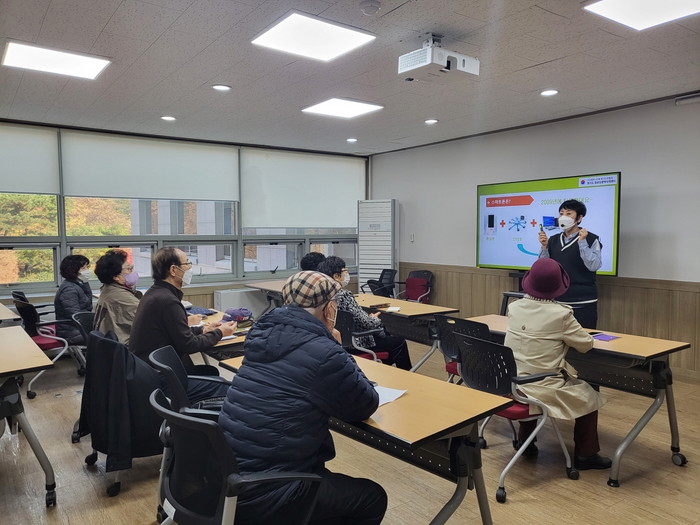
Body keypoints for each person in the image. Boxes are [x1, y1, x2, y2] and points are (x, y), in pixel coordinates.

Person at [218, 271, 386, 525]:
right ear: (329, 308)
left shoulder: (260, 334)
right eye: (336, 304)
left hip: (228, 472)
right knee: (373, 498)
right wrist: (338, 348)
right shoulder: (325, 352)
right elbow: (364, 404)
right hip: (269, 490)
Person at [504, 257, 611, 471]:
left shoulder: (514, 307)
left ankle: (525, 442)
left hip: (511, 383)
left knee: (528, 373)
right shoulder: (561, 314)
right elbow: (585, 345)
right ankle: (586, 454)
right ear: (559, 285)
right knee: (589, 396)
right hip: (540, 386)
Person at [129, 247, 237, 402]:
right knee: (226, 388)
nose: (190, 269)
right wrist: (220, 333)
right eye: (187, 264)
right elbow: (189, 345)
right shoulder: (168, 301)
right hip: (161, 379)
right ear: (174, 270)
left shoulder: (156, 293)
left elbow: (174, 332)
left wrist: (203, 329)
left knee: (210, 371)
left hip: (150, 371)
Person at [318, 256, 412, 370]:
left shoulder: (321, 295)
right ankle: (408, 375)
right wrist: (374, 318)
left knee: (388, 341)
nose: (347, 274)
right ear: (336, 276)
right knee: (399, 342)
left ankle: (384, 371)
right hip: (355, 343)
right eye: (345, 271)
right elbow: (366, 323)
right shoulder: (343, 295)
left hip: (336, 342)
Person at [538, 199, 602, 328]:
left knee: (583, 337)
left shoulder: (591, 238)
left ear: (579, 218)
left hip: (583, 301)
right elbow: (543, 268)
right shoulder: (553, 239)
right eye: (561, 213)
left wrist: (582, 242)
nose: (563, 217)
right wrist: (544, 247)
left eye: (568, 213)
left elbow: (594, 266)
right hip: (557, 301)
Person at [93, 249, 142, 345]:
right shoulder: (121, 297)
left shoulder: (108, 289)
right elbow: (147, 320)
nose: (133, 272)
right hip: (123, 347)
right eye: (129, 269)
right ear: (115, 276)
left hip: (110, 343)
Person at [54, 254, 93, 344]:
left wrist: (85, 282)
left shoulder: (78, 284)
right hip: (71, 333)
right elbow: (76, 315)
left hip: (76, 329)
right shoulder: (69, 289)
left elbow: (87, 305)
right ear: (73, 270)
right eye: (83, 268)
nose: (87, 270)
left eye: (87, 267)